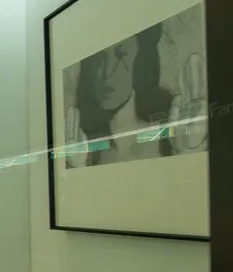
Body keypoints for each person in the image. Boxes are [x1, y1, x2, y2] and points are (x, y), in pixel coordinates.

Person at [67, 22, 176, 167]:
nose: (106, 73)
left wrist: (187, 150)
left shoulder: (166, 130)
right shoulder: (85, 140)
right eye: (98, 59)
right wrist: (78, 165)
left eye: (121, 55)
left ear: (141, 62)